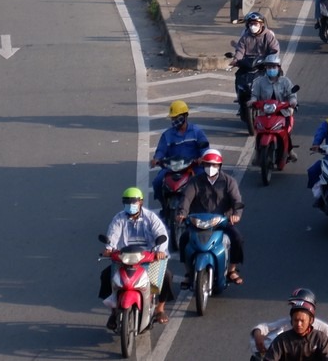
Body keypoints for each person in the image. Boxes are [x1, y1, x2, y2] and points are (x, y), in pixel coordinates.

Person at [100, 187, 174, 328]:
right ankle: (114, 312)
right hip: (124, 258)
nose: (130, 205)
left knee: (167, 277)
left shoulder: (150, 217)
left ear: (140, 202)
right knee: (105, 276)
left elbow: (161, 234)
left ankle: (160, 309)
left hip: (148, 259)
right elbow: (113, 235)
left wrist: (160, 251)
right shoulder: (119, 218)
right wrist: (109, 249)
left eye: (133, 202)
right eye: (127, 202)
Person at [177, 148, 245, 285]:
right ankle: (188, 272)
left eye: (214, 165)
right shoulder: (195, 181)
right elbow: (186, 199)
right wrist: (181, 214)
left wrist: (236, 215)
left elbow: (237, 200)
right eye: (207, 164)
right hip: (198, 223)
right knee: (184, 239)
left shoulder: (228, 181)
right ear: (203, 165)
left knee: (237, 239)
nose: (210, 168)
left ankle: (231, 270)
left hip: (222, 222)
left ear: (219, 166)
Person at [250, 288, 328, 361]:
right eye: (293, 305)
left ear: (310, 319)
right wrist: (258, 335)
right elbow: (264, 328)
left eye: (302, 320)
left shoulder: (323, 332)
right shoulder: (282, 337)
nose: (299, 324)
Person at [150, 100, 210, 200]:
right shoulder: (167, 135)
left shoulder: (196, 132)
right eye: (173, 118)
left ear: (185, 116)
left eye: (176, 117)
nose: (174, 120)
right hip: (172, 167)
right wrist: (156, 158)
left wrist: (202, 158)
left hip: (193, 166)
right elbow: (161, 150)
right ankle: (164, 207)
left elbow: (204, 147)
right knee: (157, 182)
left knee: (205, 183)